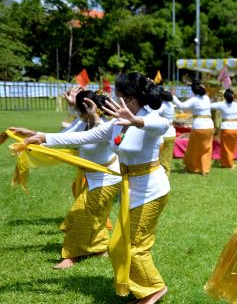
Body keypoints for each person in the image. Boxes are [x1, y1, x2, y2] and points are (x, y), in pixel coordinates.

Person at [23, 73, 171, 304]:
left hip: (152, 189)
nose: (112, 98)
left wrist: (136, 121)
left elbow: (162, 125)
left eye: (118, 95)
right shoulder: (114, 123)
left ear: (130, 98)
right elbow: (85, 136)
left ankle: (153, 290)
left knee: (133, 245)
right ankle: (146, 288)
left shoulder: (150, 118)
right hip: (131, 189)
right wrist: (42, 137)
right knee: (120, 244)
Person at [12, 89, 120, 270]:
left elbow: (85, 136)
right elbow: (65, 135)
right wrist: (32, 133)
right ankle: (99, 248)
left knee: (81, 213)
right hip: (93, 177)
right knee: (95, 215)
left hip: (107, 177)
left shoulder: (106, 126)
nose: (76, 113)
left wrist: (94, 116)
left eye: (79, 109)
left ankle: (72, 255)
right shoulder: (83, 122)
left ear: (88, 109)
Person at [173, 81, 214, 175]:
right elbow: (203, 88)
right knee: (207, 148)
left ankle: (193, 167)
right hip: (210, 126)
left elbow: (182, 106)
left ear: (192, 91)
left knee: (194, 148)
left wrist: (174, 97)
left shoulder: (194, 99)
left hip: (199, 126)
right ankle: (205, 169)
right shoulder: (207, 98)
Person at [211, 89, 237, 168]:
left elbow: (210, 106)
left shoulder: (221, 104)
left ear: (224, 97)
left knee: (225, 147)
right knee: (232, 147)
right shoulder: (236, 104)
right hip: (235, 128)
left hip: (226, 128)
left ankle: (228, 164)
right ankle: (229, 162)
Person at [158, 89, 176, 177]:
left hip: (164, 134)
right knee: (167, 158)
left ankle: (163, 176)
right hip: (172, 132)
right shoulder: (171, 105)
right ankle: (166, 175)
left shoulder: (162, 105)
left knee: (160, 158)